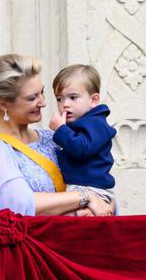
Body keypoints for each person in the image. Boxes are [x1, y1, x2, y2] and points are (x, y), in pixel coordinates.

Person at [0, 54, 115, 216]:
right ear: (3, 104)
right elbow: (19, 204)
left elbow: (98, 184)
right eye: (32, 98)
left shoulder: (51, 137)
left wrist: (104, 204)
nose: (43, 102)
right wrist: (85, 196)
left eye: (42, 93)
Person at [48, 64, 117, 208]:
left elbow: (82, 149)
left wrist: (60, 129)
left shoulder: (97, 123)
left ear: (94, 100)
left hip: (94, 188)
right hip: (81, 188)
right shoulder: (79, 122)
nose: (65, 104)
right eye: (59, 99)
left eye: (73, 97)